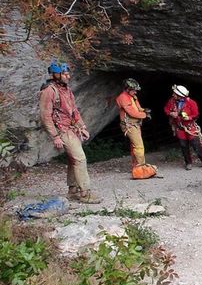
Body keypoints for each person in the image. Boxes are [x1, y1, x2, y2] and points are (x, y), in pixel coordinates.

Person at [39, 61, 101, 203]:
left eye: (68, 73)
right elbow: (45, 116)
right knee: (80, 158)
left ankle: (73, 190)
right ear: (56, 74)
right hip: (61, 130)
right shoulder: (49, 91)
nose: (68, 76)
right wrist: (55, 136)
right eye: (65, 73)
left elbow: (74, 111)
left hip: (70, 128)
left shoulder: (66, 90)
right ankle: (85, 193)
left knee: (74, 159)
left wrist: (82, 126)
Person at [115, 78, 156, 178]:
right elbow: (131, 112)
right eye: (134, 90)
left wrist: (144, 110)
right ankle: (141, 167)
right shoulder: (123, 98)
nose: (135, 91)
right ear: (127, 89)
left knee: (134, 146)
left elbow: (138, 108)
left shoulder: (133, 97)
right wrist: (144, 115)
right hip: (129, 125)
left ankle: (135, 167)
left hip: (136, 124)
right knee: (139, 146)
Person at [164, 85, 202, 170]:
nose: (173, 95)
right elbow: (166, 109)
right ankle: (188, 162)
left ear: (180, 95)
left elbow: (196, 114)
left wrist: (189, 118)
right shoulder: (171, 101)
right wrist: (170, 113)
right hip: (180, 128)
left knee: (196, 145)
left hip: (190, 127)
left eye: (175, 94)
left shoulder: (191, 102)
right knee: (183, 145)